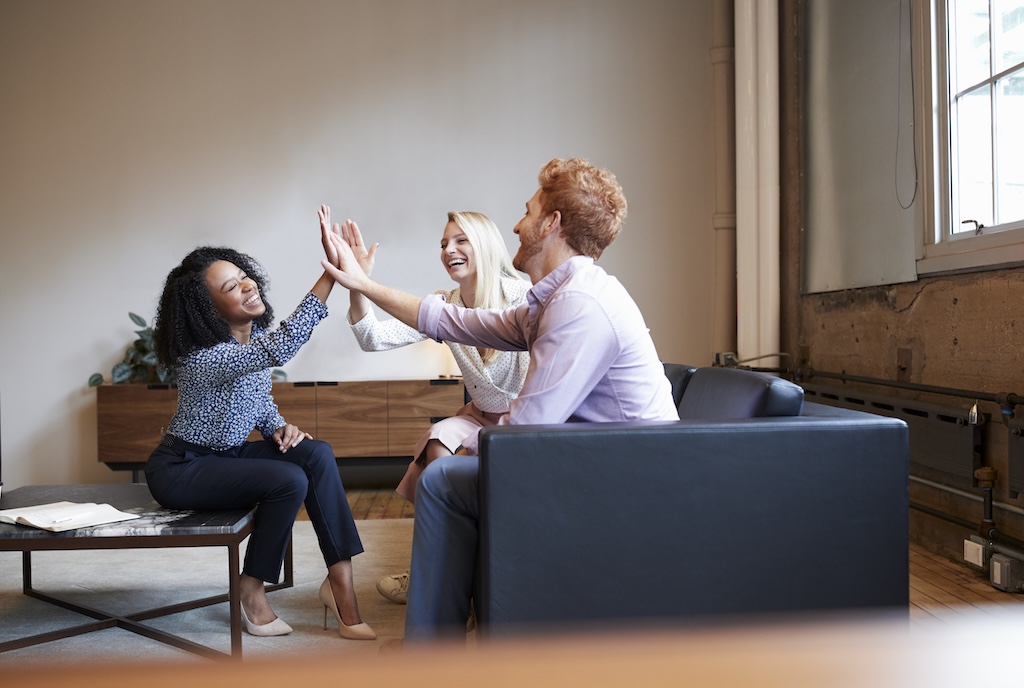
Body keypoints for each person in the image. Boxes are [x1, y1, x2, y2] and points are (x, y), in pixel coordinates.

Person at [320, 157, 679, 641]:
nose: (517, 223)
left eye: (528, 211)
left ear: (552, 223)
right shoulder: (553, 298)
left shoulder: (579, 306)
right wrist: (361, 284)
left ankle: (431, 649)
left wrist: (462, 453)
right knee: (445, 462)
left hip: (626, 477)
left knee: (446, 479)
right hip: (599, 457)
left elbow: (524, 436)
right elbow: (450, 321)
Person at [144, 235, 375, 640]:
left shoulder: (245, 344)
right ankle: (251, 585)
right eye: (231, 286)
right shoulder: (204, 357)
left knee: (315, 453)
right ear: (208, 310)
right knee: (289, 480)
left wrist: (278, 427)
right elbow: (282, 348)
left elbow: (257, 401)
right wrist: (332, 275)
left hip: (226, 457)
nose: (248, 285)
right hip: (183, 467)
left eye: (244, 277)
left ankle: (341, 584)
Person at [320, 206, 530, 605]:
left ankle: (455, 574)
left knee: (456, 460)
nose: (449, 249)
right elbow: (373, 339)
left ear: (485, 245)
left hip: (526, 422)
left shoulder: (521, 296)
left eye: (460, 240)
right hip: (480, 417)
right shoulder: (443, 302)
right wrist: (357, 284)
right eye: (443, 243)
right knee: (437, 444)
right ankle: (434, 569)